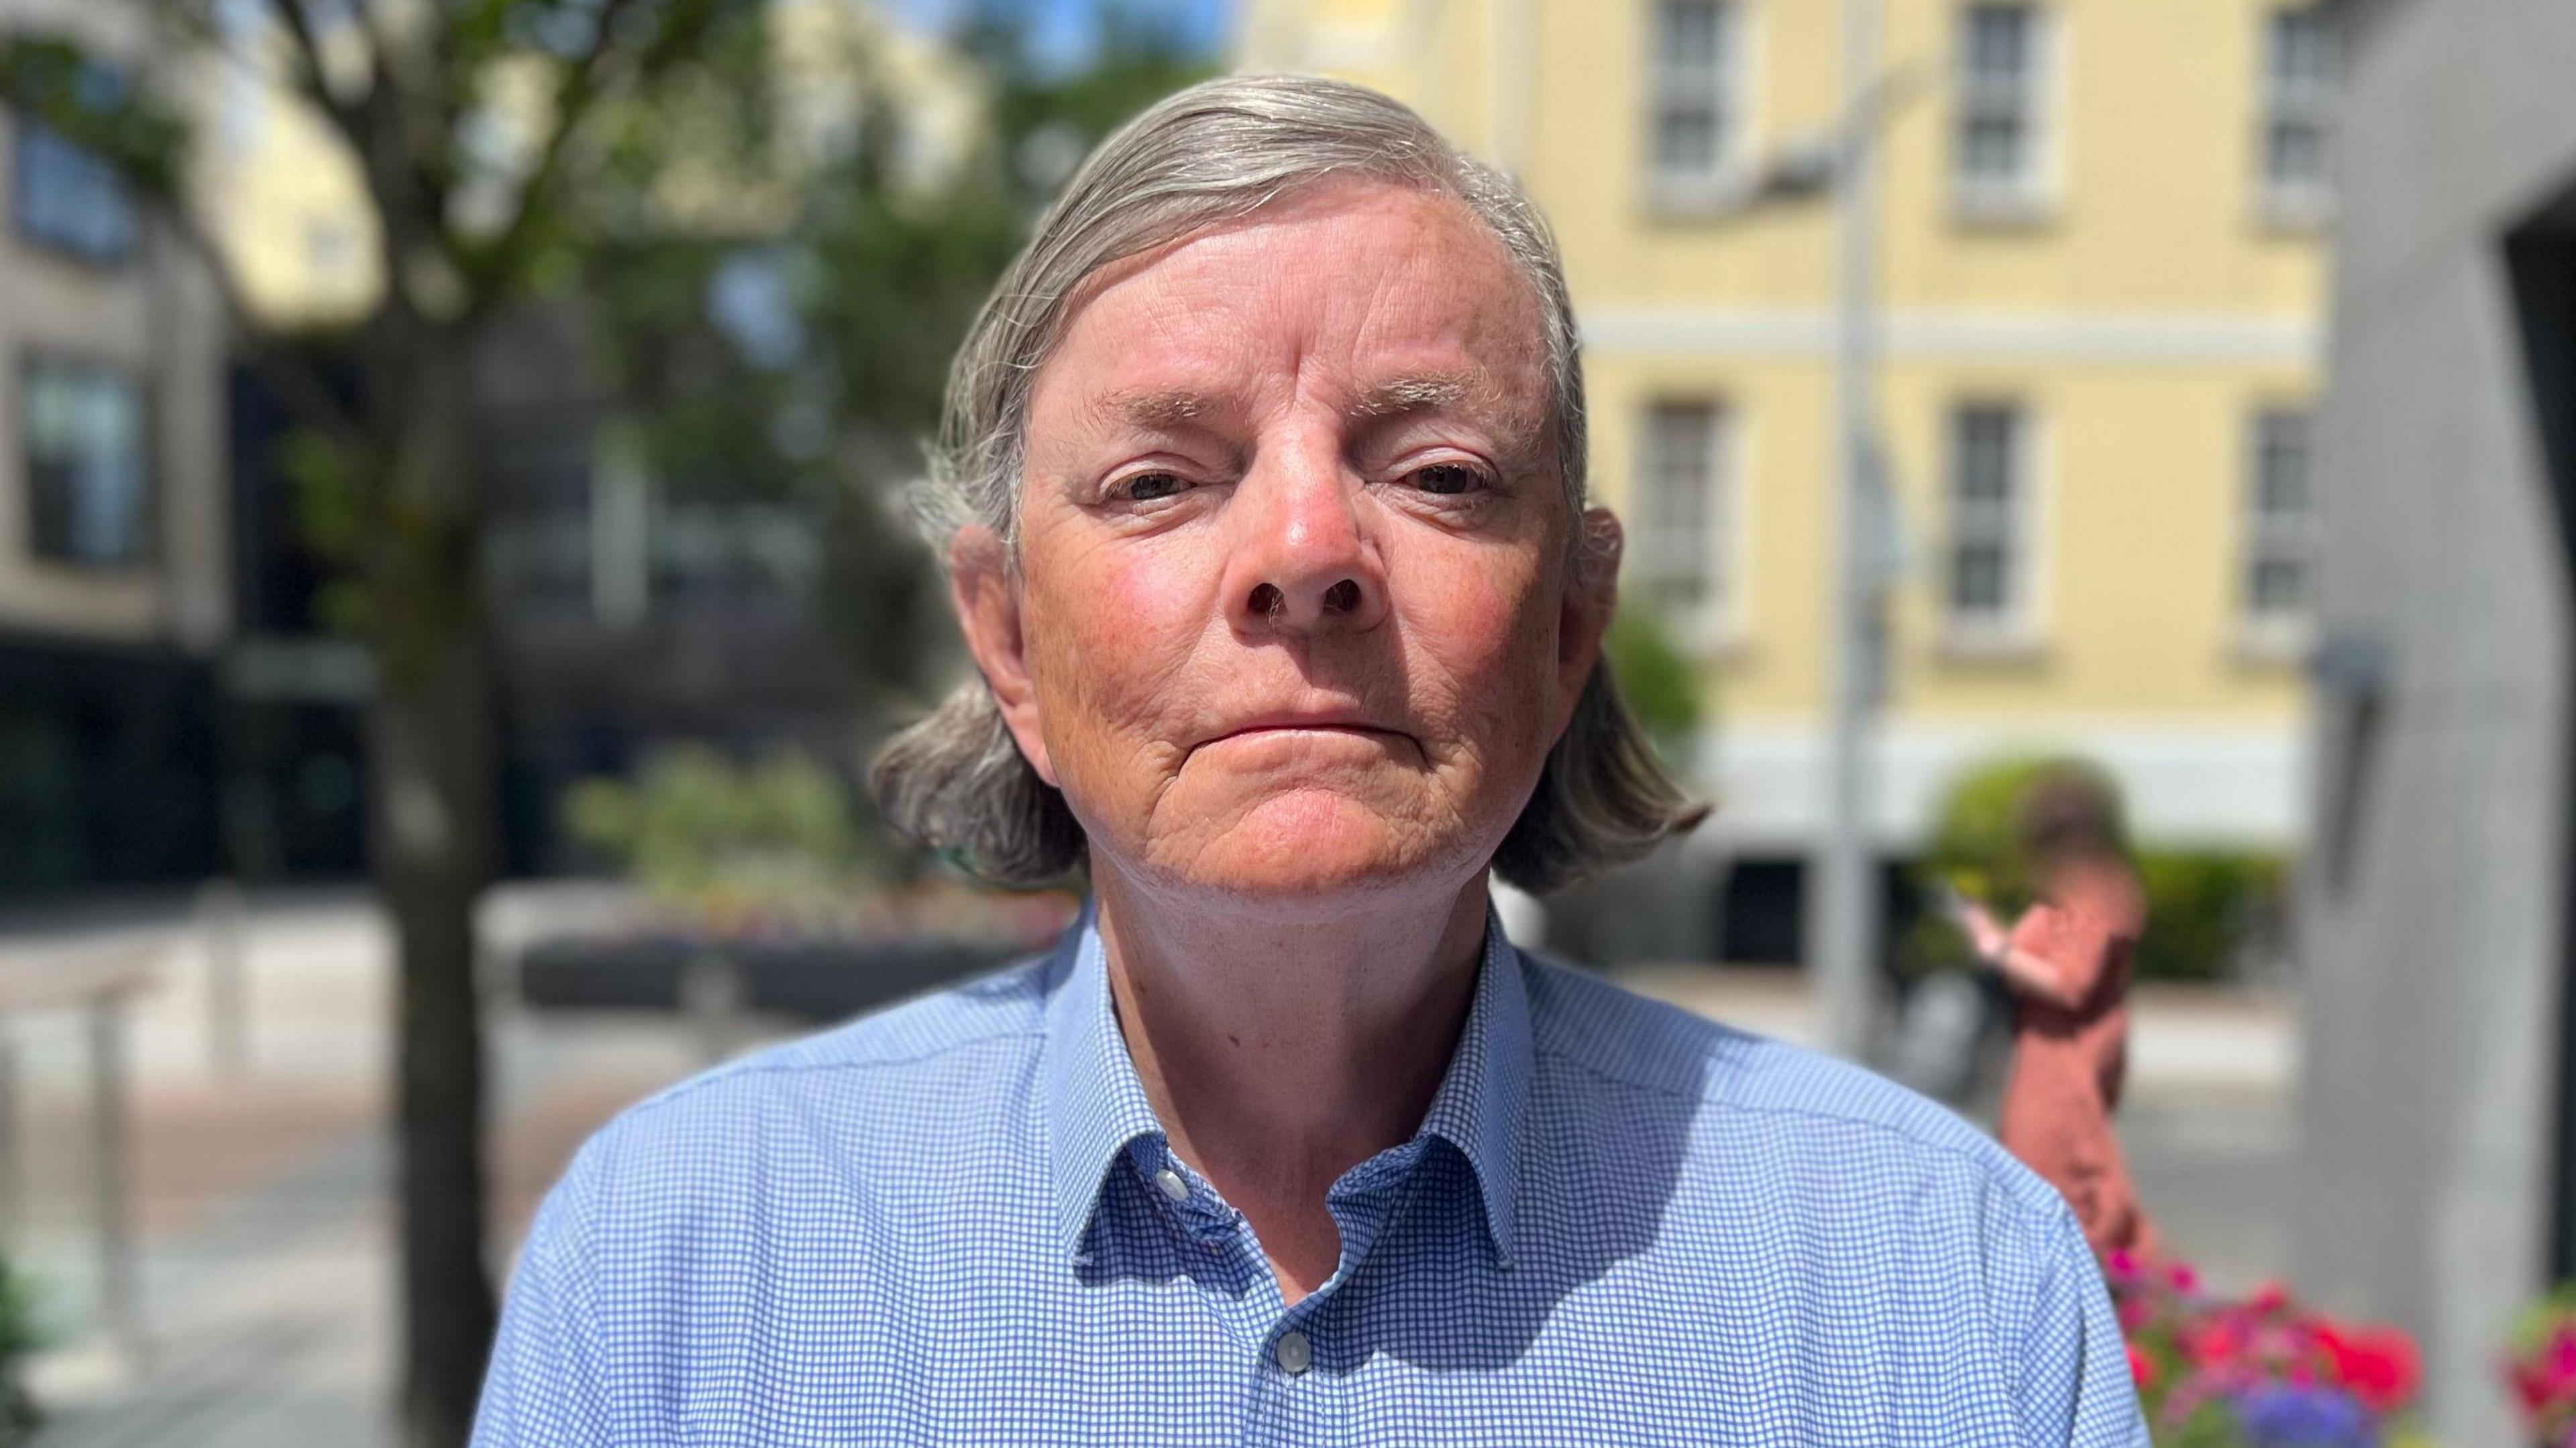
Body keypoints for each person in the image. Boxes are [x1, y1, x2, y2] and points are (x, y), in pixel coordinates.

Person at [473, 77, 2146, 1445]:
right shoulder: (680, 1270)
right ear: (1005, 640)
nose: (1303, 549)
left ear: (1570, 624)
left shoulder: (1936, 1288)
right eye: (1155, 481)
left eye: (1432, 471)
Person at [1952, 765, 2162, 1260]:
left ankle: (2118, 1286)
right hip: (2046, 1048)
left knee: (2061, 1170)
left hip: (2065, 1055)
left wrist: (1994, 947)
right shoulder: (2080, 892)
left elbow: (2071, 984)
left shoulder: (2093, 893)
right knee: (2047, 1167)